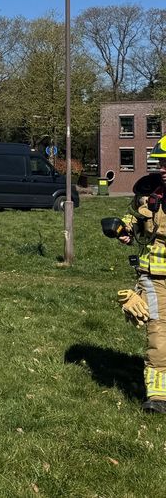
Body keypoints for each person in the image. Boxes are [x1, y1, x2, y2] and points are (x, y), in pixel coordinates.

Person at [116, 137, 166, 413]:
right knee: (159, 334)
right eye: (161, 162)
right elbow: (131, 221)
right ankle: (159, 397)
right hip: (155, 276)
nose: (163, 168)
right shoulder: (149, 193)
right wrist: (122, 232)